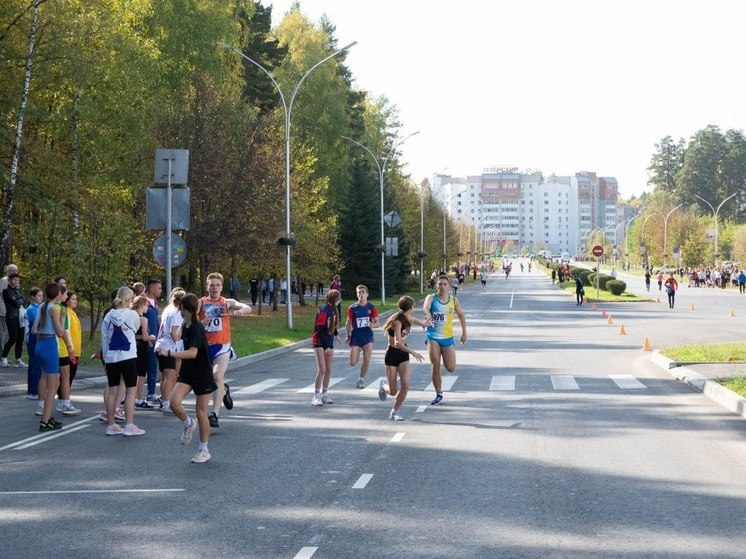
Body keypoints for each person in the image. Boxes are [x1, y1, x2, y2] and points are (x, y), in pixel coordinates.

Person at [157, 293, 217, 464]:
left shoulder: (196, 327)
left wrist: (169, 353)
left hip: (202, 373)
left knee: (201, 412)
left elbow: (192, 353)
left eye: (181, 308)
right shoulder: (186, 324)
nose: (179, 311)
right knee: (173, 402)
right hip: (188, 372)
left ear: (186, 309)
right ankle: (188, 423)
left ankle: (203, 449)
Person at [197, 272, 252, 428]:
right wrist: (201, 322)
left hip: (222, 346)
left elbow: (247, 307)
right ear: (207, 286)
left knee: (217, 375)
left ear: (222, 287)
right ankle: (224, 391)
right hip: (204, 347)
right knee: (209, 380)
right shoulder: (201, 303)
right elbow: (190, 320)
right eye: (212, 285)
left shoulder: (227, 302)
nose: (215, 288)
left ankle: (214, 414)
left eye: (218, 285)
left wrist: (241, 311)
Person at [100, 286, 145, 436]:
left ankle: (111, 424)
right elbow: (136, 327)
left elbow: (104, 338)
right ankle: (129, 425)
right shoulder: (132, 314)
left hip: (112, 357)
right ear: (129, 300)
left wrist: (106, 357)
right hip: (128, 356)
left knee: (112, 392)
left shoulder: (108, 316)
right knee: (131, 391)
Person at [378, 296, 427, 421]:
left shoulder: (408, 317)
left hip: (403, 356)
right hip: (392, 354)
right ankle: (384, 387)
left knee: (405, 384)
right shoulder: (398, 322)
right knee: (393, 391)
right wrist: (413, 352)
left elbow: (414, 320)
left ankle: (394, 412)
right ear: (411, 308)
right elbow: (398, 343)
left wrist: (423, 324)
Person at [423, 275, 467, 405]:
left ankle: (444, 359)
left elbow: (461, 316)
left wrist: (464, 332)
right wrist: (428, 315)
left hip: (447, 337)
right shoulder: (431, 298)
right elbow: (426, 307)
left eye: (444, 284)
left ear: (448, 286)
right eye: (439, 284)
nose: (442, 287)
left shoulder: (454, 300)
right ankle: (438, 393)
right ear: (436, 285)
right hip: (433, 337)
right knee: (435, 364)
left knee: (451, 368)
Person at [34, 283, 71, 430]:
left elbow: (33, 328)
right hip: (49, 345)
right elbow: (60, 332)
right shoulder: (54, 309)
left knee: (47, 379)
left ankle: (47, 416)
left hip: (39, 344)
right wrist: (62, 317)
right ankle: (45, 420)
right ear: (58, 295)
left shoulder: (42, 306)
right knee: (53, 385)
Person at [154, 287, 185, 414]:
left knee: (165, 376)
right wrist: (179, 346)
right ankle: (167, 403)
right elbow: (174, 331)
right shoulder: (177, 312)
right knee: (171, 376)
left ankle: (164, 400)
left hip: (160, 344)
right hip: (168, 346)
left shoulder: (168, 309)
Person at [345, 285, 380, 389]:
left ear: (367, 294)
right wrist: (348, 335)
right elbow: (348, 323)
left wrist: (372, 325)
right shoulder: (352, 308)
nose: (361, 294)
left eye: (363, 292)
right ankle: (357, 350)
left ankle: (361, 380)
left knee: (367, 359)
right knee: (353, 362)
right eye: (359, 292)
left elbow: (377, 323)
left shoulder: (371, 307)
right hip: (356, 336)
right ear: (357, 294)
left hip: (367, 336)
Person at [311, 289, 341, 406]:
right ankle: (316, 396)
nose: (340, 301)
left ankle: (324, 394)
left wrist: (336, 334)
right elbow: (320, 329)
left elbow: (331, 326)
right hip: (319, 342)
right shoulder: (324, 310)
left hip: (328, 341)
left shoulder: (332, 310)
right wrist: (326, 346)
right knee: (322, 369)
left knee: (328, 370)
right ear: (334, 300)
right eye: (339, 299)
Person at [132, 295, 156, 410]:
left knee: (134, 374)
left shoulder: (131, 317)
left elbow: (134, 335)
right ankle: (139, 399)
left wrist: (140, 336)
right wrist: (152, 337)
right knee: (141, 375)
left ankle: (132, 397)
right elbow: (146, 337)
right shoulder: (143, 319)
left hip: (133, 347)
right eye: (146, 305)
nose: (147, 308)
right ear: (141, 306)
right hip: (141, 348)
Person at [143, 279, 162, 403]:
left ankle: (151, 392)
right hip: (145, 340)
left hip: (154, 339)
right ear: (151, 289)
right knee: (143, 368)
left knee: (153, 366)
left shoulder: (154, 302)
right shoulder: (143, 301)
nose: (161, 290)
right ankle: (140, 396)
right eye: (159, 288)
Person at [2, 271, 26, 367]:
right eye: (14, 280)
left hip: (20, 317)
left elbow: (23, 300)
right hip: (11, 317)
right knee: (13, 338)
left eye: (17, 280)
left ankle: (18, 359)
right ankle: (3, 357)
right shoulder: (6, 291)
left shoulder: (18, 290)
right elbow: (14, 303)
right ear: (9, 280)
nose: (16, 282)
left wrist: (18, 300)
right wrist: (18, 301)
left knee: (20, 338)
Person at [25, 287, 43, 399]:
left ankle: (37, 390)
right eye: (38, 296)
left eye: (41, 296)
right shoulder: (31, 309)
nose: (41, 298)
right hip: (33, 339)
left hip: (38, 338)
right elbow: (40, 323)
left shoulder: (39, 308)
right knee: (34, 364)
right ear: (32, 297)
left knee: (38, 365)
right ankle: (33, 391)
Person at [0, 264, 19, 350]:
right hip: (3, 311)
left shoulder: (15, 281)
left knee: (9, 334)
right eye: (12, 270)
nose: (14, 272)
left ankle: (4, 356)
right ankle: (2, 357)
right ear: (8, 271)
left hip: (12, 312)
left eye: (16, 270)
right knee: (4, 333)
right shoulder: (4, 281)